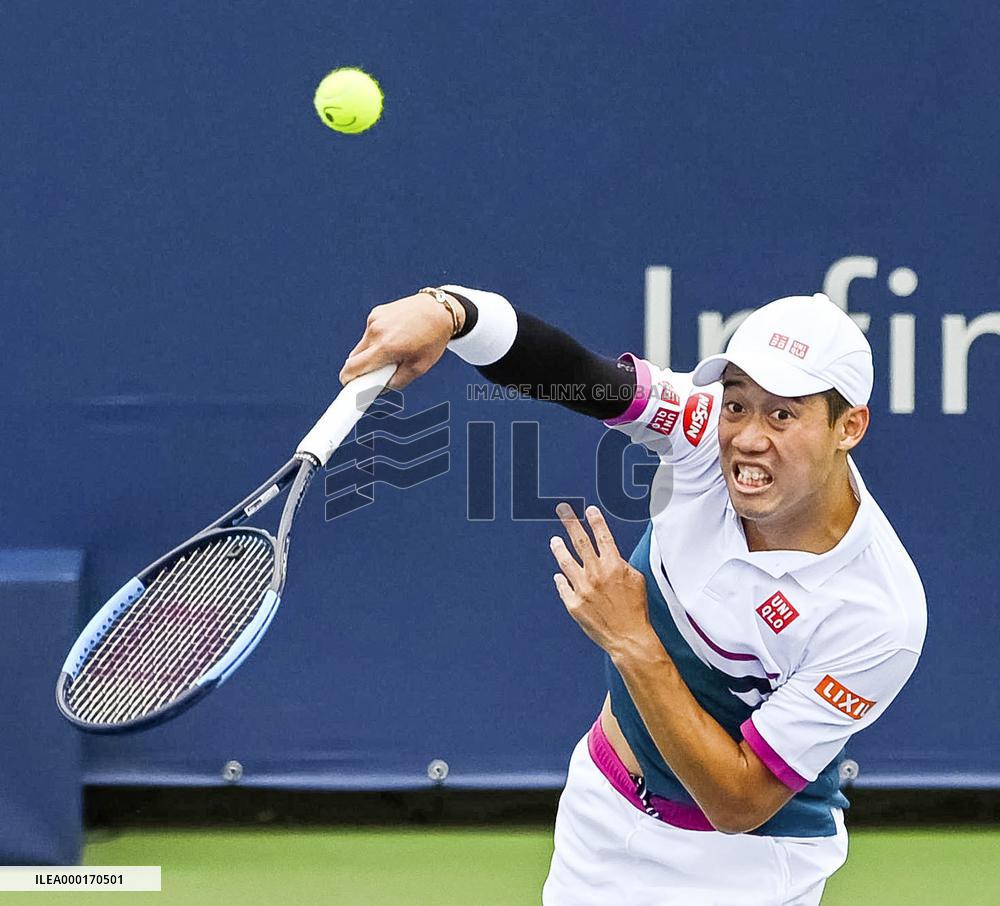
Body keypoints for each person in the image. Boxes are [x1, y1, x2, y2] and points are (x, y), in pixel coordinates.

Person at [340, 285, 926, 906]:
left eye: (783, 415)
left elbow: (740, 800)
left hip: (745, 868)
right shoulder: (702, 430)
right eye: (737, 405)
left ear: (849, 427)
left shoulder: (878, 615)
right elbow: (575, 374)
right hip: (601, 812)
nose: (749, 438)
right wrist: (452, 312)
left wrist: (632, 640)